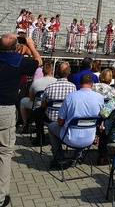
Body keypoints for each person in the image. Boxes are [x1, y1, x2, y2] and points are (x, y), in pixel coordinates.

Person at [0, 34, 42, 207]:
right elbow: (38, 62)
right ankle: (1, 196)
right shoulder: (19, 62)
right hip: (5, 110)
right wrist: (31, 45)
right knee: (4, 152)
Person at [48, 73, 103, 168]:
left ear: (79, 84)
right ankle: (76, 157)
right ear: (92, 84)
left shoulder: (70, 97)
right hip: (89, 138)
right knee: (83, 126)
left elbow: (60, 122)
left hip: (71, 138)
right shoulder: (99, 98)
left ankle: (59, 159)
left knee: (51, 126)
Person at [32, 61, 76, 146]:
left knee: (37, 112)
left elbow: (43, 105)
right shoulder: (73, 87)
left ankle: (40, 139)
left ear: (57, 72)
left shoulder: (49, 87)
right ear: (68, 73)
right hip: (65, 119)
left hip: (50, 118)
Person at [20, 62, 57, 133]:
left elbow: (31, 98)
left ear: (42, 71)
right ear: (52, 71)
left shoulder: (36, 82)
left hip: (37, 106)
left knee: (23, 101)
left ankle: (25, 123)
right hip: (51, 106)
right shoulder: (56, 81)